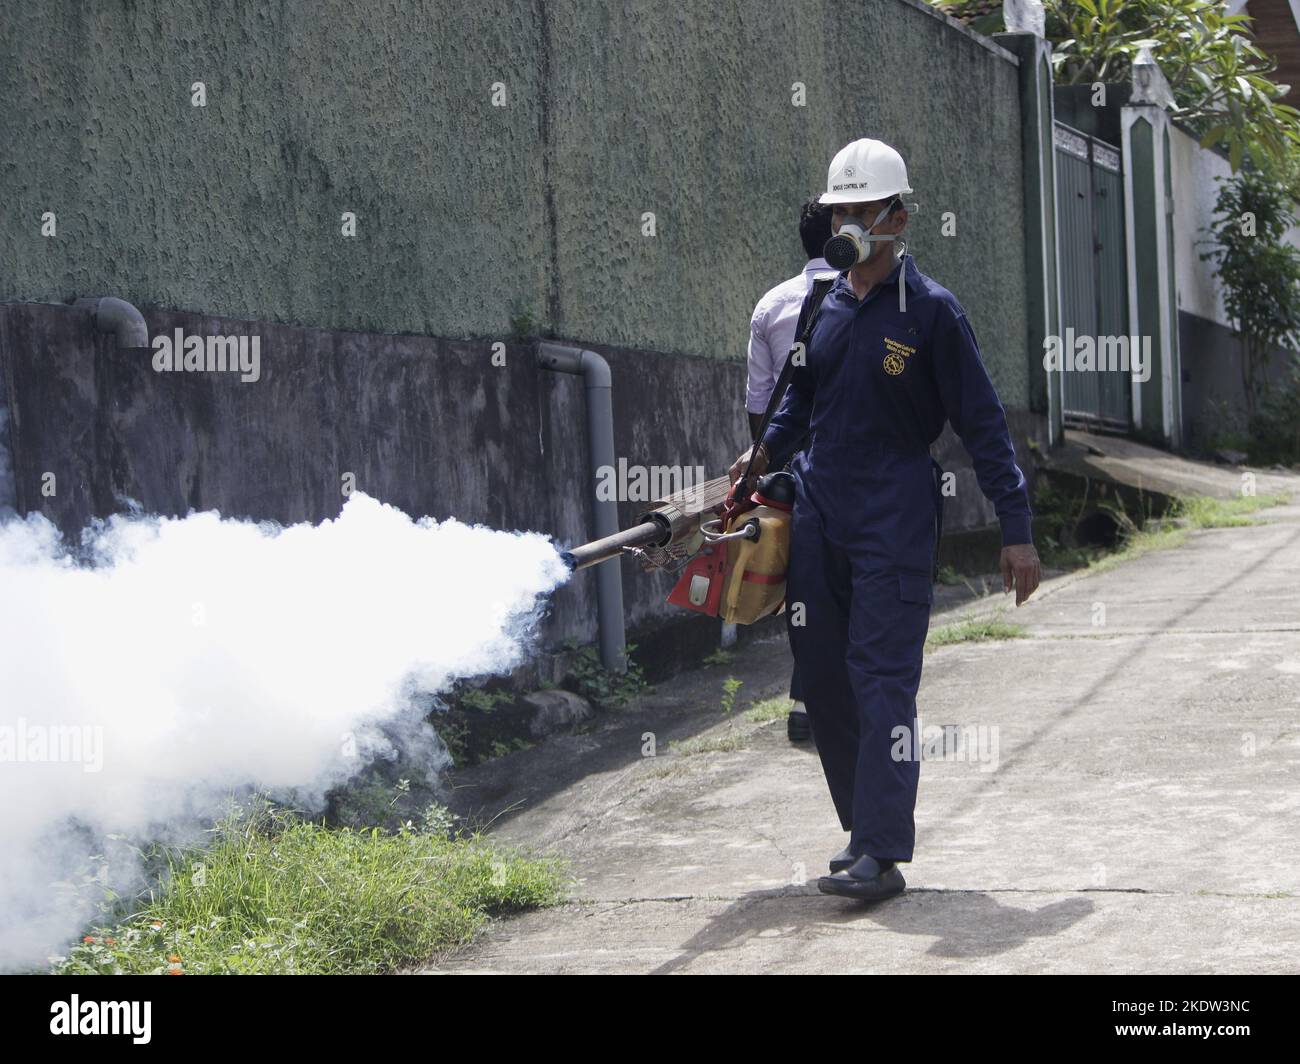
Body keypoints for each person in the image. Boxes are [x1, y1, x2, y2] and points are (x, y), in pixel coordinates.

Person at [728, 138, 1041, 902]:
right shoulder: (821, 303)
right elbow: (799, 396)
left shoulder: (932, 313)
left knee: (881, 680)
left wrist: (1016, 526)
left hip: (895, 513)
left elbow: (983, 423)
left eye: (863, 212)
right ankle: (860, 829)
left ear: (900, 217)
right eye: (840, 211)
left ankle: (880, 850)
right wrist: (761, 454)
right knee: (823, 680)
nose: (849, 226)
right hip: (818, 506)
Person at [744, 200, 835, 743]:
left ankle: (806, 699)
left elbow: (761, 403)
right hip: (852, 465)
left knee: (803, 581)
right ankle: (847, 694)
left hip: (788, 466)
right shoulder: (871, 300)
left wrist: (768, 455)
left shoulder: (771, 305)